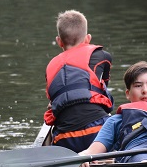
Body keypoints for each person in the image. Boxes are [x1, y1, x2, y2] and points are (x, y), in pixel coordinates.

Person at [44, 10, 115, 152]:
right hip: (98, 132)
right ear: (88, 39)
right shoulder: (103, 56)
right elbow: (103, 91)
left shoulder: (50, 66)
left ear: (59, 41)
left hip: (65, 138)